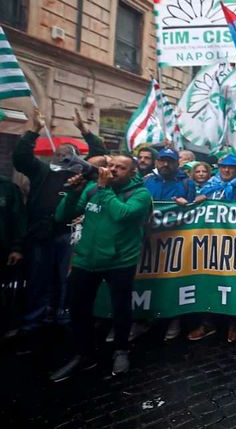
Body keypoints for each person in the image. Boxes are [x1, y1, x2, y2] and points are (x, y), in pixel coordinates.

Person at [49, 155, 153, 381]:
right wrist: (73, 192)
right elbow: (62, 216)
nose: (113, 170)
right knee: (78, 309)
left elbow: (121, 214)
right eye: (111, 165)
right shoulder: (92, 189)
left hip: (120, 261)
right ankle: (84, 354)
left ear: (132, 173)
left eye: (121, 168)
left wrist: (104, 189)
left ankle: (121, 350)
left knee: (120, 309)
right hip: (86, 260)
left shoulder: (141, 194)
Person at [12, 108, 94, 335]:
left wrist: (84, 130)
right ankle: (33, 320)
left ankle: (63, 316)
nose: (62, 156)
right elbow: (21, 159)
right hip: (41, 234)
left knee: (65, 278)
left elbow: (99, 153)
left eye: (68, 154)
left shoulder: (81, 174)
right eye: (59, 153)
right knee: (38, 279)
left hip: (68, 234)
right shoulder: (42, 170)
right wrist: (34, 130)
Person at [189, 154, 236, 343]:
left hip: (234, 245)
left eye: (231, 168)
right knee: (208, 283)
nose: (226, 170)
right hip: (210, 243)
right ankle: (208, 323)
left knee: (234, 284)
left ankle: (235, 323)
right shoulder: (210, 186)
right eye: (223, 167)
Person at [141, 148, 196, 342]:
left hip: (176, 241)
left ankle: (174, 319)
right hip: (148, 240)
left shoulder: (186, 183)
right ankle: (140, 319)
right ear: (157, 163)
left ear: (176, 164)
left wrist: (188, 204)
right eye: (162, 161)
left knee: (174, 281)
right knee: (145, 279)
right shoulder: (147, 181)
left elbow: (195, 211)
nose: (165, 165)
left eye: (170, 161)